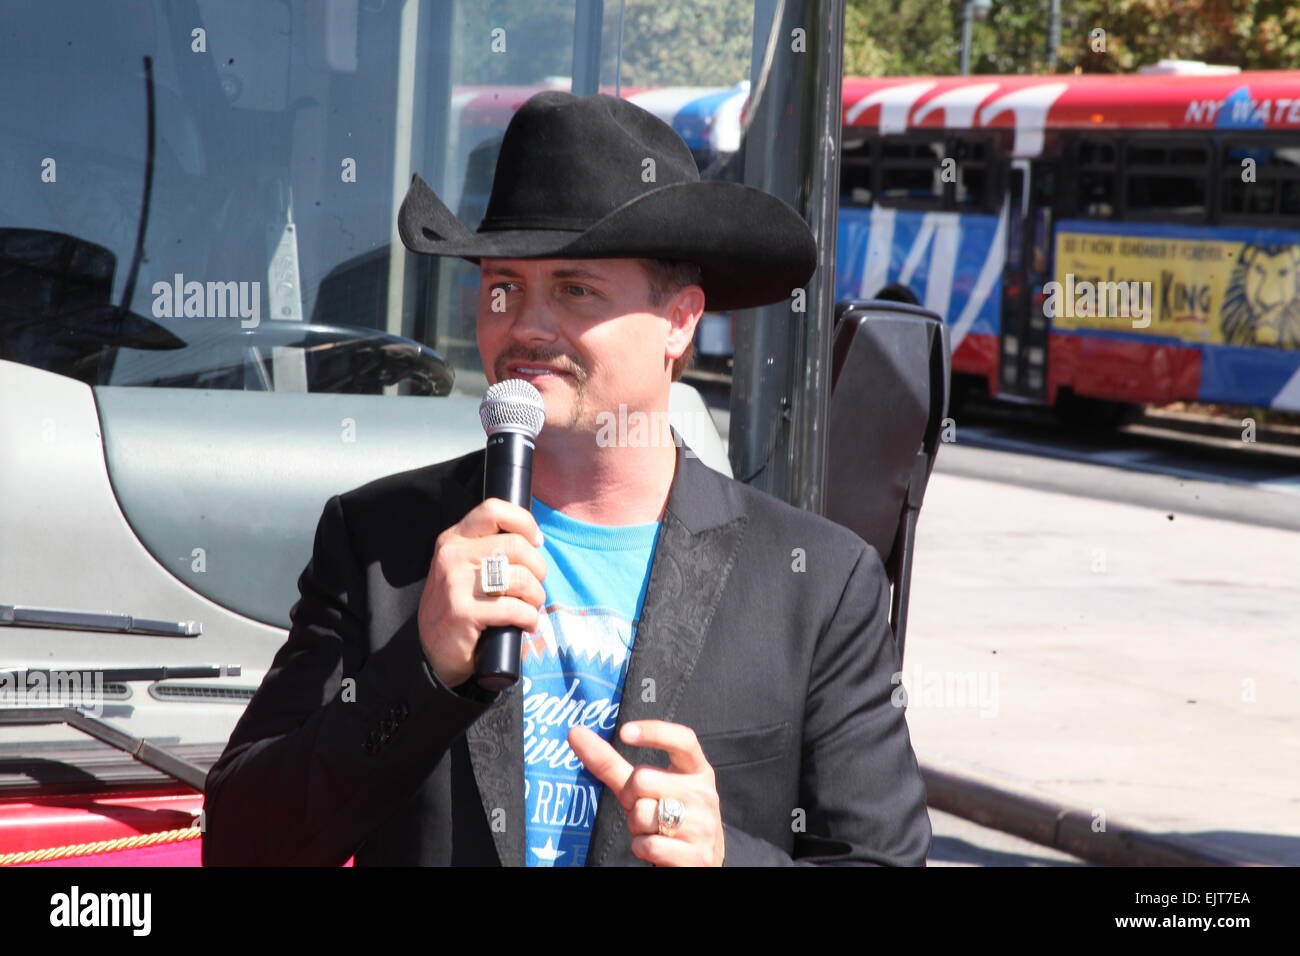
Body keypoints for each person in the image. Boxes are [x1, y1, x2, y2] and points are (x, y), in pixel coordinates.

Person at [202, 90, 932, 867]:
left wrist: (727, 859)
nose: (527, 327)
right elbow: (245, 842)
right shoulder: (381, 540)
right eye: (503, 287)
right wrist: (420, 671)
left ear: (680, 320)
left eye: (575, 290)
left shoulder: (817, 582)